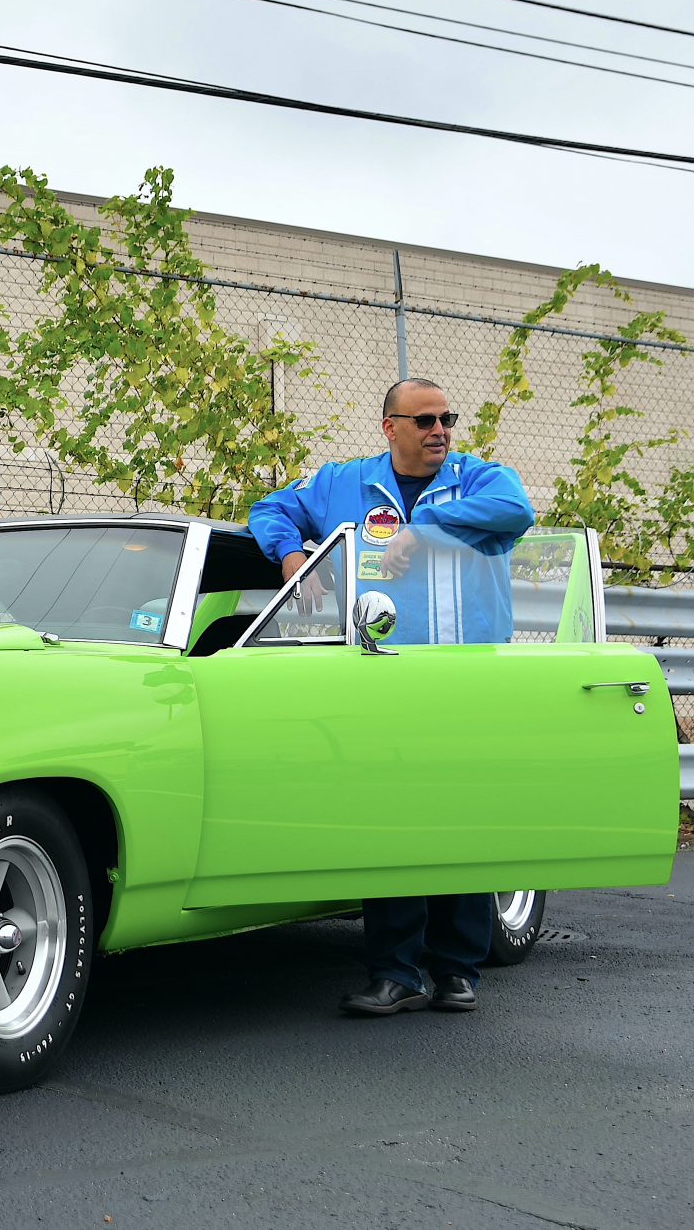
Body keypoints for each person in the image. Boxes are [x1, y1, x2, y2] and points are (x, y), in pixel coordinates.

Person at [246, 377, 536, 1016]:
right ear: (391, 427)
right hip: (382, 679)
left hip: (468, 680)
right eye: (426, 420)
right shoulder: (343, 482)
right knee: (392, 824)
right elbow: (268, 510)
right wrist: (294, 557)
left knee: (464, 821)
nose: (440, 431)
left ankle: (458, 969)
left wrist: (422, 527)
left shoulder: (478, 478)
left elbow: (518, 512)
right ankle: (394, 973)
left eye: (446, 419)